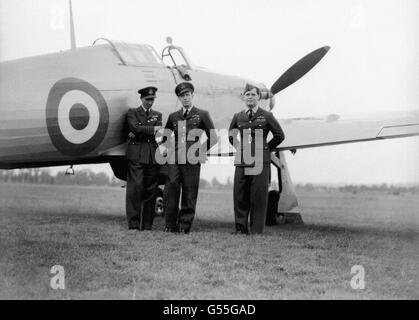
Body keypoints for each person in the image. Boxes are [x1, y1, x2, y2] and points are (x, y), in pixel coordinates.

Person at [228, 83, 285, 234]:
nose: (250, 97)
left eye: (253, 94)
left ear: (258, 97)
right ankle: (240, 228)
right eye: (247, 94)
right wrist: (240, 148)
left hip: (261, 160)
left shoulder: (267, 116)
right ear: (243, 97)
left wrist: (266, 149)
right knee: (240, 194)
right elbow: (231, 136)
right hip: (242, 159)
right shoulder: (238, 116)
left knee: (258, 195)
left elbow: (280, 135)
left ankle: (256, 230)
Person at [163, 82, 217, 234]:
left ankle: (184, 226)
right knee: (171, 188)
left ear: (193, 96)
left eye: (187, 95)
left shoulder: (202, 114)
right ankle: (169, 224)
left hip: (192, 159)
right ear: (179, 98)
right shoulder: (173, 116)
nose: (185, 98)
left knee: (189, 191)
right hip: (175, 159)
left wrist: (200, 151)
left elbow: (213, 138)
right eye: (182, 96)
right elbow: (165, 136)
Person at [125, 86, 162, 231]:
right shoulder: (132, 112)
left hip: (152, 155)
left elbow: (157, 133)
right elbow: (135, 128)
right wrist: (152, 129)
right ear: (141, 99)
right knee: (135, 189)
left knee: (150, 190)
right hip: (136, 155)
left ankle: (147, 225)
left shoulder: (157, 115)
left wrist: (140, 130)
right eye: (147, 99)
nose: (150, 102)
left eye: (152, 100)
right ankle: (133, 224)